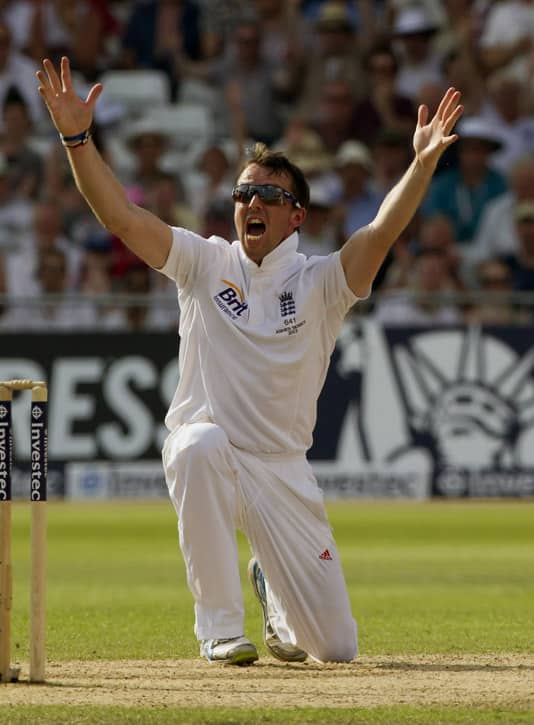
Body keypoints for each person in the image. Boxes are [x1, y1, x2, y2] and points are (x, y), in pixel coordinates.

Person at [36, 56, 463, 665]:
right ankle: (219, 627)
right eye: (242, 193)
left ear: (296, 215)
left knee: (336, 650)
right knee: (196, 445)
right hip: (213, 455)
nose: (249, 202)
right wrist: (77, 140)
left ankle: (276, 595)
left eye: (267, 193)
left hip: (283, 471)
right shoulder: (204, 262)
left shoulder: (323, 284)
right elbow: (121, 218)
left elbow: (380, 233)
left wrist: (421, 167)